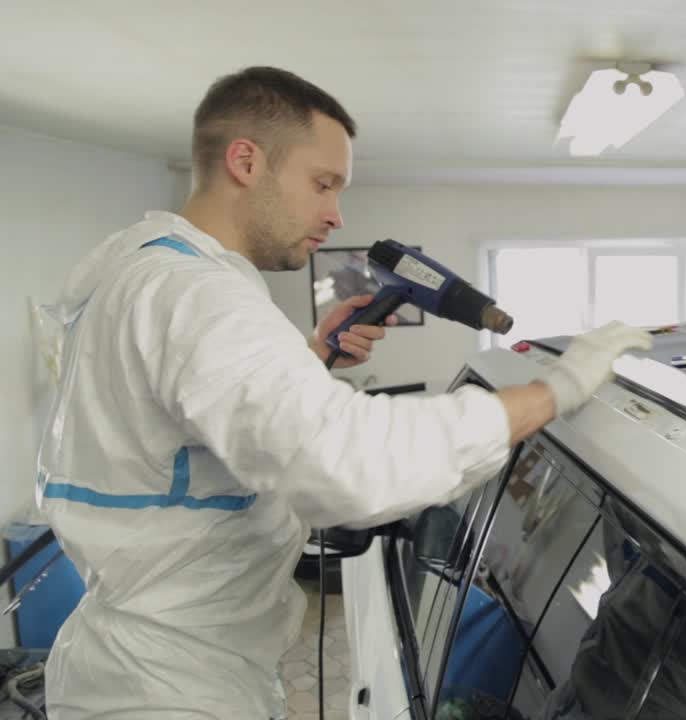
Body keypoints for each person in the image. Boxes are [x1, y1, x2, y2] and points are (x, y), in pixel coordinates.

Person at [34, 66, 652, 719]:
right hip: (168, 688)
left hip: (132, 658)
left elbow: (178, 430)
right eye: (322, 183)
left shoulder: (138, 270)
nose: (335, 214)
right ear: (245, 160)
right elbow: (346, 464)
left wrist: (306, 361)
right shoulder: (199, 294)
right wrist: (555, 389)